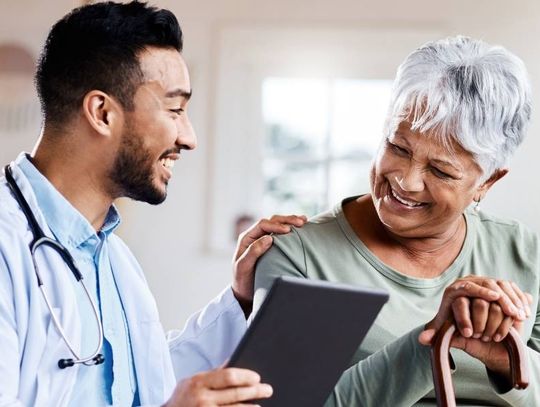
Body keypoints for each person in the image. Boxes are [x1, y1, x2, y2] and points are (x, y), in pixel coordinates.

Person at [0, 2, 307, 406]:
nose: (189, 137)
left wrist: (240, 300)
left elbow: (147, 385)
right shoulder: (7, 247)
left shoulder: (115, 260)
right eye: (175, 110)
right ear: (103, 113)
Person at [254, 36, 539, 406]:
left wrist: (507, 358)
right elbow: (284, 403)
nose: (407, 180)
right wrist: (431, 342)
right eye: (397, 147)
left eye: (440, 170)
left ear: (487, 181)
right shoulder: (300, 255)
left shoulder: (526, 254)